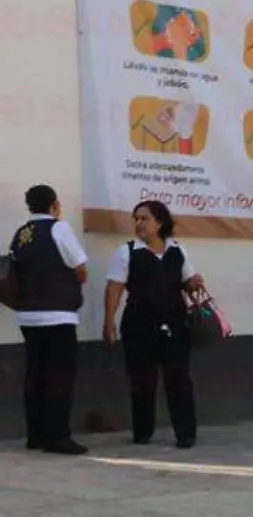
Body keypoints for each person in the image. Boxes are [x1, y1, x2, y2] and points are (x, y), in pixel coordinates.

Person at [103, 200, 204, 448]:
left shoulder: (178, 250)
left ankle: (186, 434)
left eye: (144, 218)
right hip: (139, 325)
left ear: (160, 222)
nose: (139, 223)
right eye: (136, 219)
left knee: (179, 379)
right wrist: (109, 321)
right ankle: (142, 432)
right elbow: (114, 288)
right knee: (142, 380)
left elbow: (187, 282)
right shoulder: (127, 252)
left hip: (175, 324)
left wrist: (194, 283)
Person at [8, 184, 89, 455]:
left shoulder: (22, 234)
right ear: (55, 204)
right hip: (57, 313)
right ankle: (58, 437)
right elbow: (80, 268)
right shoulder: (59, 228)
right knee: (60, 377)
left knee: (35, 374)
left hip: (28, 315)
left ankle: (37, 434)